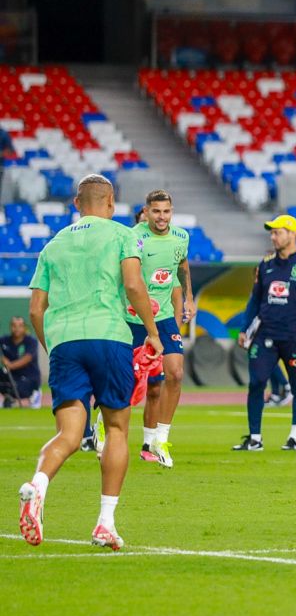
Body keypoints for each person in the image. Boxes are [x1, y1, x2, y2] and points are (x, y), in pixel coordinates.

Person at [17, 173, 162, 551]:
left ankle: (37, 485)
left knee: (68, 434)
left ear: (76, 205)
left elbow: (35, 309)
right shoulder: (122, 235)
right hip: (109, 337)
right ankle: (105, 523)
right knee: (115, 428)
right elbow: (133, 285)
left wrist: (54, 347)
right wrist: (152, 332)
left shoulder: (53, 244)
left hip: (65, 342)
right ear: (111, 204)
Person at [232, 214, 296, 452]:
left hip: (295, 337)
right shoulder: (265, 264)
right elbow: (255, 300)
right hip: (265, 335)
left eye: (277, 232)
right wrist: (245, 328)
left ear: (292, 234)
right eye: (272, 233)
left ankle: (294, 437)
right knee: (256, 383)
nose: (273, 236)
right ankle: (255, 438)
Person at [120, 189, 194, 469]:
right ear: (146, 211)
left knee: (174, 373)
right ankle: (103, 427)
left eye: (166, 212)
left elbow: (182, 265)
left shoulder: (181, 237)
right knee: (127, 381)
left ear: (171, 211)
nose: (162, 217)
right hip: (133, 316)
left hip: (163, 316)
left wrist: (188, 297)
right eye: (156, 211)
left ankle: (158, 440)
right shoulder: (133, 237)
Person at [1, 315, 41, 407]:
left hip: (28, 376)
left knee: (21, 387)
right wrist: (2, 358)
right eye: (14, 325)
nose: (17, 328)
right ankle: (10, 400)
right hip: (11, 375)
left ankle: (32, 398)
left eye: (20, 326)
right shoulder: (4, 340)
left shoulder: (31, 341)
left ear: (24, 327)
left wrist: (10, 365)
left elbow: (27, 358)